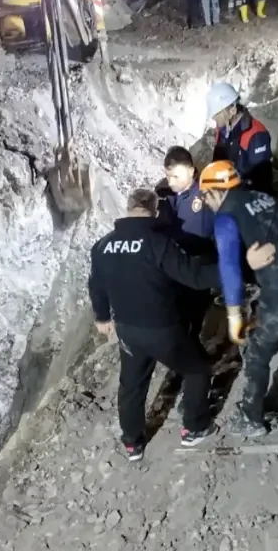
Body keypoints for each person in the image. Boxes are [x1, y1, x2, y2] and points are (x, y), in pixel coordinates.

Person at [87, 189, 225, 461]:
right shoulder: (157, 243)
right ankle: (194, 428)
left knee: (132, 385)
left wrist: (102, 317)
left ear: (128, 209)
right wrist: (231, 270)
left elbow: (96, 285)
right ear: (155, 210)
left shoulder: (102, 245)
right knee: (197, 369)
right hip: (163, 329)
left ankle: (132, 444)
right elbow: (194, 277)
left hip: (127, 330)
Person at [198, 161, 278, 437]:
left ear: (215, 191)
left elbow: (230, 270)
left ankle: (251, 419)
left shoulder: (226, 217)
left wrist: (234, 316)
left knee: (256, 350)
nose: (206, 202)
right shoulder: (263, 198)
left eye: (205, 196)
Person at [206, 81, 274, 194]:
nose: (213, 117)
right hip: (228, 192)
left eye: (217, 113)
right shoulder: (222, 130)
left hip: (248, 197)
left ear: (232, 110)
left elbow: (261, 183)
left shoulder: (256, 135)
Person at [157, 146, 217, 255]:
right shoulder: (163, 192)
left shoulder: (204, 198)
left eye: (176, 177)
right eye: (168, 176)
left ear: (191, 172)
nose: (171, 182)